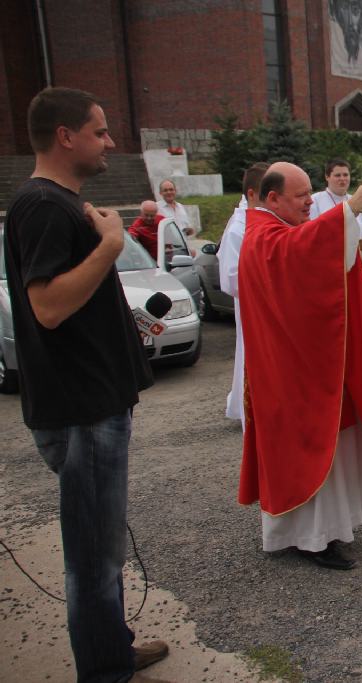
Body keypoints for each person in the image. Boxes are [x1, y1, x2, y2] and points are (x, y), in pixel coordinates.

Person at [2, 87, 172, 683]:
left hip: (91, 405)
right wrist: (111, 246)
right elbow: (47, 306)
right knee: (93, 560)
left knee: (102, 550)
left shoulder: (56, 202)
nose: (110, 143)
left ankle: (112, 649)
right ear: (64, 137)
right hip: (81, 412)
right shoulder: (44, 206)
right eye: (99, 132)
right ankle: (105, 670)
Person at [237, 162, 362, 570]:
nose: (311, 201)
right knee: (308, 445)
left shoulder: (274, 231)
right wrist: (351, 210)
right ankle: (312, 537)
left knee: (329, 440)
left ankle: (330, 526)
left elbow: (309, 255)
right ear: (272, 198)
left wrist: (347, 214)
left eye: (312, 193)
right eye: (301, 196)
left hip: (299, 366)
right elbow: (301, 255)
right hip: (290, 376)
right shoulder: (263, 237)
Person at [218, 162, 268, 423]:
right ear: (251, 194)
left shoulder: (261, 222)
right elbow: (229, 279)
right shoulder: (238, 228)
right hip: (254, 313)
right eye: (266, 194)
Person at [309, 158, 362, 271]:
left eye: (345, 175)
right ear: (327, 177)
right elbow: (311, 233)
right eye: (337, 175)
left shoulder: (358, 200)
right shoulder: (315, 201)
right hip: (328, 267)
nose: (342, 179)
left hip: (356, 265)